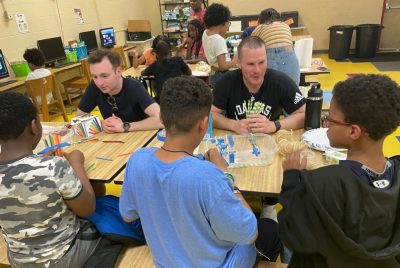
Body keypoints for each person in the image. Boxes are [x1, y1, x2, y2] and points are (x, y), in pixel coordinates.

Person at [119, 76, 281, 267]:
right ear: (204, 124)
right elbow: (249, 233)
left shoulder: (137, 160)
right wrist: (225, 175)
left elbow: (128, 215)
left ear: (161, 117)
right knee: (269, 229)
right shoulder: (209, 177)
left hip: (166, 262)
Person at [279, 74, 400, 268]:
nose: (326, 126)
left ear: (353, 131)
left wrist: (292, 178)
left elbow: (291, 233)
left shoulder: (322, 183)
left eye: (329, 120)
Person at [0, 92, 101, 267]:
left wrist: (40, 162)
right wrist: (76, 164)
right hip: (64, 257)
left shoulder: (48, 166)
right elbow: (87, 208)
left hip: (19, 261)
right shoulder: (54, 167)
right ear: (34, 126)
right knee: (104, 219)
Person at [212, 36, 305, 135]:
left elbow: (305, 114)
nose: (257, 70)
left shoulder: (281, 82)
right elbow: (209, 115)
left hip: (269, 144)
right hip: (236, 143)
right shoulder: (227, 81)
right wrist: (233, 125)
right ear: (239, 63)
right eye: (250, 64)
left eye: (261, 62)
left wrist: (275, 125)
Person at [77, 48, 163, 133]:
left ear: (118, 72)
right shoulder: (94, 86)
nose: (99, 83)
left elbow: (161, 120)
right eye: (95, 77)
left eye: (104, 76)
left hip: (140, 138)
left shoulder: (134, 87)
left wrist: (124, 126)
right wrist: (103, 124)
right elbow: (79, 117)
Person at [252, 8, 300, 85]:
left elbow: (252, 48)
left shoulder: (259, 28)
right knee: (293, 89)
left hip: (269, 56)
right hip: (289, 55)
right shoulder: (285, 26)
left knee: (272, 91)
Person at [202, 3, 238, 88]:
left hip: (213, 74)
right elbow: (223, 66)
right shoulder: (219, 40)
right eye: (228, 23)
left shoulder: (205, 33)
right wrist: (235, 60)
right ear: (223, 23)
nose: (228, 28)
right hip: (222, 75)